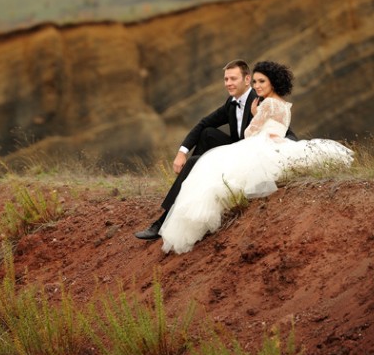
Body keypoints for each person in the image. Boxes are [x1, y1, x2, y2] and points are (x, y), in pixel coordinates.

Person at [159, 60, 354, 254]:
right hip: (271, 144)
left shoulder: (265, 104)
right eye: (256, 82)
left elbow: (249, 133)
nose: (257, 86)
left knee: (208, 166)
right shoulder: (285, 105)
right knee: (207, 138)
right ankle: (170, 210)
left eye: (261, 82)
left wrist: (255, 114)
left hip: (258, 145)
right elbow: (279, 128)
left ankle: (178, 215)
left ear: (272, 83)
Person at [134, 59, 297, 241]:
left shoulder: (262, 101)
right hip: (239, 150)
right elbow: (204, 122)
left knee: (196, 164)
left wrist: (284, 152)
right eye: (226, 79)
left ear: (246, 79)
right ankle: (188, 188)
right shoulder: (232, 102)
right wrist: (182, 151)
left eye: (233, 79)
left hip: (249, 157)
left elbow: (285, 130)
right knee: (208, 133)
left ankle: (163, 221)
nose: (228, 83)